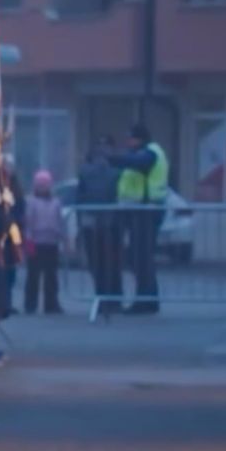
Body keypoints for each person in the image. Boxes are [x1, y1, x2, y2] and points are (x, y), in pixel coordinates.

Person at [111, 124, 169, 315]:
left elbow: (137, 163)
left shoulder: (150, 153)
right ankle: (147, 299)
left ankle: (145, 300)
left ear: (140, 139)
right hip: (139, 211)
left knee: (141, 258)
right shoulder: (142, 153)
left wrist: (111, 157)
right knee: (139, 257)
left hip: (147, 211)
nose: (128, 142)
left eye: (131, 138)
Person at [77, 137, 122, 310]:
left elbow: (80, 197)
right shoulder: (117, 171)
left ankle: (101, 297)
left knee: (96, 263)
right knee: (112, 262)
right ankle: (114, 299)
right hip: (112, 222)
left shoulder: (84, 171)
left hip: (91, 222)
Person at [23, 169, 65, 315]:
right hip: (36, 242)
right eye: (40, 185)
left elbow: (60, 221)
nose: (43, 187)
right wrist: (28, 241)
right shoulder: (31, 202)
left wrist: (63, 239)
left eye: (45, 184)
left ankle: (51, 303)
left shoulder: (56, 202)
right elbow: (28, 222)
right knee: (33, 276)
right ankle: (30, 304)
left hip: (52, 242)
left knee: (51, 276)